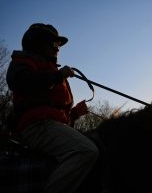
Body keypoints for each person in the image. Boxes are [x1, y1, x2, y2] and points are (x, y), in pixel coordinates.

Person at [6, 23, 99, 193]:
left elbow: (55, 113)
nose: (58, 49)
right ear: (39, 43)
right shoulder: (24, 60)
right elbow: (19, 81)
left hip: (49, 126)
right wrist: (57, 76)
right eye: (54, 44)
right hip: (36, 126)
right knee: (85, 151)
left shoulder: (52, 71)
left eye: (59, 45)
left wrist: (76, 113)